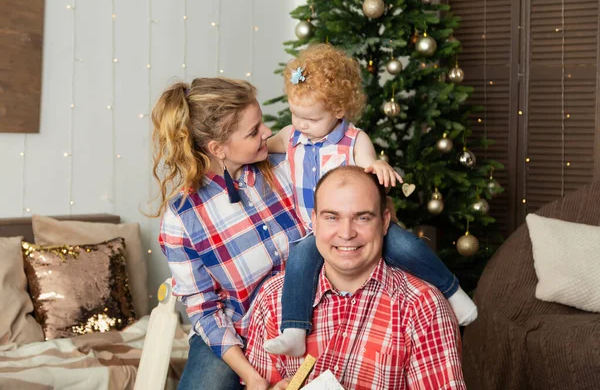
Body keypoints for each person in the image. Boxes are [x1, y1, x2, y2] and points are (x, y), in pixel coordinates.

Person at [264, 43, 477, 357]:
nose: (301, 124)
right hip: (315, 229)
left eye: (310, 118)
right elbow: (261, 149)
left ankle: (454, 292)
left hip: (358, 224)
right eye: (295, 114)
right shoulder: (290, 135)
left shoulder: (354, 139)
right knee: (299, 263)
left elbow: (368, 165)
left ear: (338, 110)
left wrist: (377, 165)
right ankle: (294, 330)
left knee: (408, 246)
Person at [245, 166, 466, 389]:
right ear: (315, 221)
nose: (347, 233)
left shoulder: (423, 307)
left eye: (362, 217)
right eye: (332, 217)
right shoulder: (273, 298)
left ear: (385, 221)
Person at [152, 78, 304, 390]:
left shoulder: (287, 166)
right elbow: (205, 310)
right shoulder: (181, 218)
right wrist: (251, 375)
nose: (267, 132)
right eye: (253, 131)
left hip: (305, 319)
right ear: (218, 149)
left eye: (261, 122)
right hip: (236, 334)